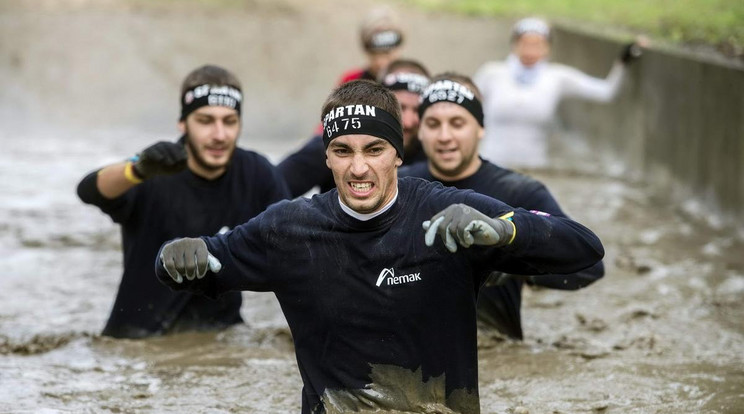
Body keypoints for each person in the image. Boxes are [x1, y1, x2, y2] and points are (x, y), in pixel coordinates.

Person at [154, 79, 605, 413]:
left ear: (399, 154)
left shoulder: (449, 211)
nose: (359, 167)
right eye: (343, 151)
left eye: (374, 149)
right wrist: (174, 253)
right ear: (326, 157)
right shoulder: (287, 229)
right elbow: (196, 263)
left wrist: (506, 232)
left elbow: (586, 250)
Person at [76, 65, 290, 339]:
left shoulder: (256, 172)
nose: (219, 135)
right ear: (183, 123)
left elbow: (292, 242)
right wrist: (136, 170)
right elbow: (89, 190)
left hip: (223, 335)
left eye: (229, 121)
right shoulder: (154, 169)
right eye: (205, 120)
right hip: (139, 339)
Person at [399, 73, 604, 340]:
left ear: (481, 128)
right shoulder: (398, 186)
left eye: (458, 123)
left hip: (493, 342)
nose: (445, 136)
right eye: (434, 124)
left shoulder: (518, 191)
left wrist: (512, 266)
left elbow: (588, 266)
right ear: (421, 130)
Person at [473, 17, 644, 169]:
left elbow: (606, 92)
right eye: (525, 43)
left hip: (533, 169)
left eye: (537, 44)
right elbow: (467, 106)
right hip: (491, 164)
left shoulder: (556, 77)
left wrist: (623, 61)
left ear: (547, 48)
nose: (531, 50)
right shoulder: (491, 73)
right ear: (514, 45)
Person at [277, 58, 430, 197]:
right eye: (401, 108)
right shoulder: (333, 144)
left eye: (417, 110)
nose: (408, 122)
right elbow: (268, 188)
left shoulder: (437, 152)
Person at [337, 6, 404, 84]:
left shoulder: (413, 85)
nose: (380, 62)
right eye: (373, 54)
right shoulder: (351, 81)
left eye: (387, 54)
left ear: (399, 49)